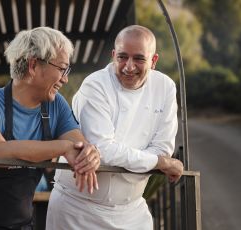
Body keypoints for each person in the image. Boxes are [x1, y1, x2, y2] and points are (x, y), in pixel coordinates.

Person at [0, 27, 101, 230]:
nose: (65, 78)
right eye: (62, 68)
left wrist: (90, 153)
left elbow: (79, 146)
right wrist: (63, 147)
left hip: (21, 224)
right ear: (34, 65)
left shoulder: (56, 105)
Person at [46, 25, 184, 230]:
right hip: (77, 209)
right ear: (113, 56)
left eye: (139, 58)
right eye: (122, 57)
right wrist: (159, 162)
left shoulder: (165, 87)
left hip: (132, 210)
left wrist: (155, 159)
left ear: (153, 61)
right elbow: (104, 150)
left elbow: (162, 146)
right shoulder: (95, 85)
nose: (129, 67)